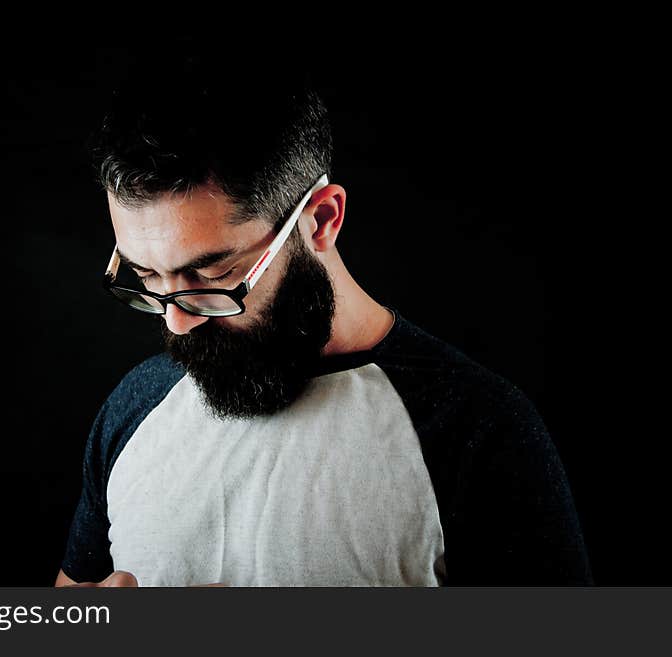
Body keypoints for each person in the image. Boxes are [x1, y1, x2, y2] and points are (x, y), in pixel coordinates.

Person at [55, 48, 592, 587]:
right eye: (147, 277)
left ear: (320, 219)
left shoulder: (477, 427)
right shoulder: (137, 403)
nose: (176, 324)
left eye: (213, 273)